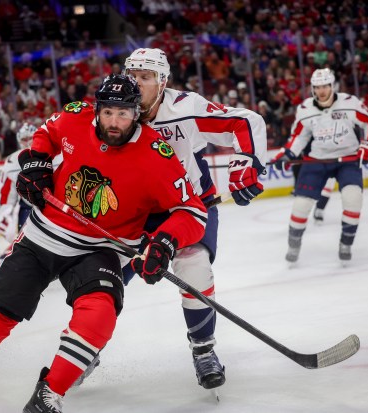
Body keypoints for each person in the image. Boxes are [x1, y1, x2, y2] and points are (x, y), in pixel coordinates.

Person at [0, 73, 207, 413]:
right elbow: (46, 132)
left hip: (103, 249)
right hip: (44, 233)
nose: (114, 122)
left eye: (123, 114)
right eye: (108, 112)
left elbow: (193, 212)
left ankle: (49, 394)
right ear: (97, 110)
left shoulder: (156, 155)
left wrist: (165, 242)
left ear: (138, 114)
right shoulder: (75, 116)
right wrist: (37, 161)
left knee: (100, 313)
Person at [92, 48, 265, 392]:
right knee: (101, 280)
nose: (138, 83)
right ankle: (86, 348)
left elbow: (244, 121)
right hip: (133, 214)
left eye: (146, 77)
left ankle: (203, 350)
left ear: (163, 81)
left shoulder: (185, 108)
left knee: (195, 265)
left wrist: (249, 162)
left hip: (188, 206)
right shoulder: (114, 111)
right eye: (134, 75)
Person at [271, 68, 368, 264]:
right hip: (317, 160)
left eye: (325, 86)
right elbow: (299, 136)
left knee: (353, 198)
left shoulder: (349, 103)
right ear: (313, 89)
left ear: (332, 86)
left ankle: (346, 243)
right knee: (301, 205)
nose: (321, 91)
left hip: (348, 159)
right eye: (317, 87)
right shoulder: (305, 109)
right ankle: (294, 244)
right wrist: (287, 153)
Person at [0, 123, 38, 243]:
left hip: (53, 206)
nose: (28, 142)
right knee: (25, 242)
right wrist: (5, 213)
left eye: (31, 137)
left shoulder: (53, 152)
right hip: (28, 208)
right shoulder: (13, 161)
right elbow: (7, 191)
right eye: (24, 139)